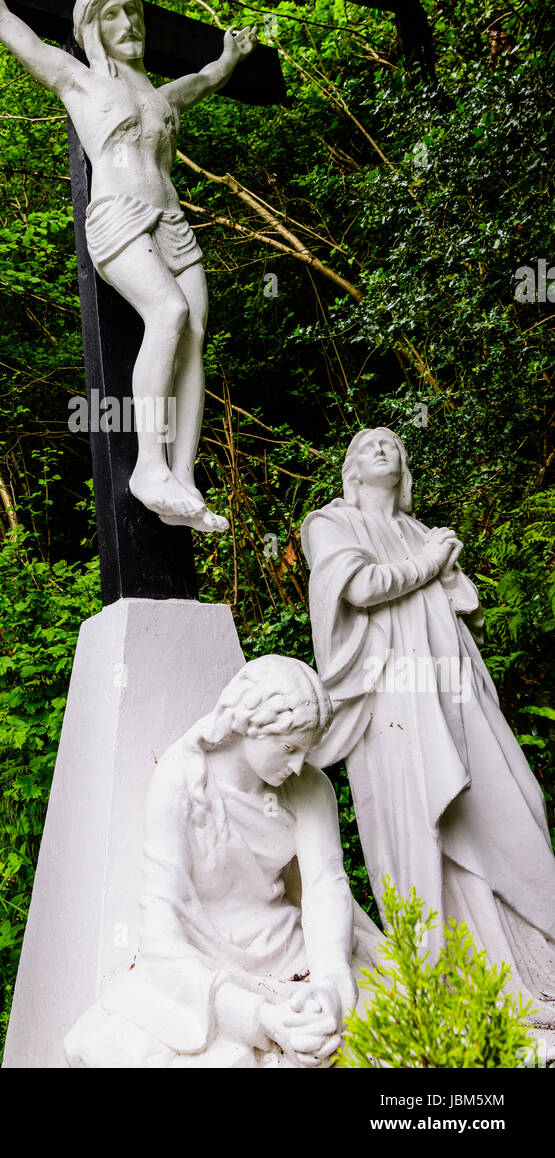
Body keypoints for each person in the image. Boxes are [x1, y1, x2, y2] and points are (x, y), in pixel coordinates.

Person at [0, 0, 256, 532]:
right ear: (90, 29)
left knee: (195, 337)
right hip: (120, 218)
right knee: (169, 315)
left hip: (171, 219)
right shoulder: (76, 81)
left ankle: (182, 474)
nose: (128, 24)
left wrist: (231, 56)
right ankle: (147, 465)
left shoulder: (159, 94)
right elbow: (1, 19)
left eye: (133, 14)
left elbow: (206, 78)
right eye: (112, 16)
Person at [302, 426, 555, 1037]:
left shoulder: (423, 532)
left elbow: (459, 605)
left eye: (391, 443)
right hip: (392, 701)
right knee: (427, 825)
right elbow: (356, 588)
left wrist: (438, 561)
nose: (381, 448)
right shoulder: (328, 524)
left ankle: (534, 966)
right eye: (366, 445)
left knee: (519, 802)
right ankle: (462, 988)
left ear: (405, 469)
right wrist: (432, 562)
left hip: (458, 694)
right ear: (351, 471)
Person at [64, 655, 382, 1068]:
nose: (298, 765)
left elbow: (325, 887)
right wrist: (258, 1019)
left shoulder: (310, 787)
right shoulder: (180, 779)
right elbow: (161, 926)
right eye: (289, 748)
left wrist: (330, 982)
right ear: (248, 723)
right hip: (204, 964)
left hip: (291, 952)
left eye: (307, 751)